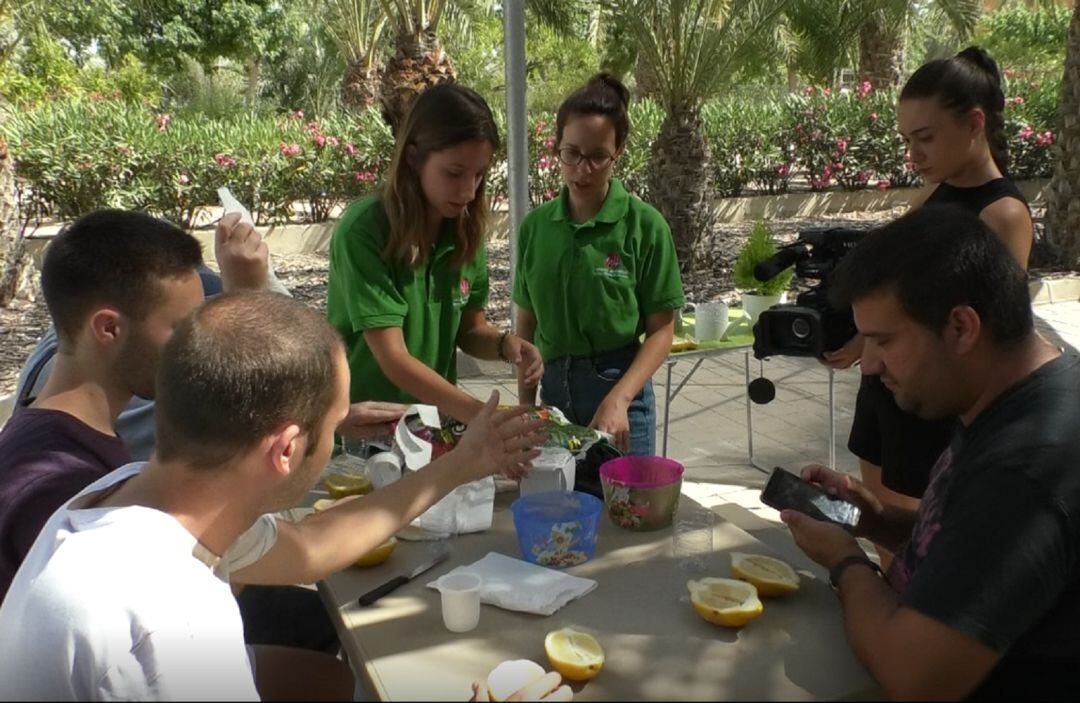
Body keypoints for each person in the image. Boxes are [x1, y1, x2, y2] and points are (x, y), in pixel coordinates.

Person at [0, 291, 550, 700]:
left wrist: (461, 465)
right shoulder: (172, 625)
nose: (337, 437)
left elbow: (309, 543)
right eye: (335, 424)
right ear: (286, 449)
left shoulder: (131, 495)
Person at [782, 205, 1078, 700]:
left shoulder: (1026, 466)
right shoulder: (1017, 396)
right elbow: (974, 547)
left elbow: (913, 676)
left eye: (883, 340)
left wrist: (846, 562)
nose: (869, 365)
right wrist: (876, 521)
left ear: (961, 327)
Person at [821, 47, 1035, 563]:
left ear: (974, 123)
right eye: (907, 141)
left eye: (925, 138)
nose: (913, 155)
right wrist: (860, 341)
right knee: (880, 535)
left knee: (925, 555)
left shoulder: (1003, 214)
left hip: (933, 406)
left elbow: (991, 336)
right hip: (888, 393)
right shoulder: (928, 197)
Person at [327, 83, 543, 424]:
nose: (469, 191)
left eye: (479, 175)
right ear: (414, 157)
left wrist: (506, 345)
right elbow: (394, 358)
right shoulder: (364, 230)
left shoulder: (464, 231)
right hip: (366, 431)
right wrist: (481, 417)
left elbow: (471, 331)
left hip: (432, 428)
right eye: (454, 173)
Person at [512, 73, 684, 455]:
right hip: (553, 392)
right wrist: (525, 406)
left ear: (618, 152)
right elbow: (526, 325)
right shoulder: (536, 228)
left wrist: (620, 399)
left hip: (620, 390)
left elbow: (661, 332)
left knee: (627, 508)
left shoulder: (645, 226)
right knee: (557, 508)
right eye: (571, 153)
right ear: (557, 146)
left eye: (597, 157)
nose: (582, 169)